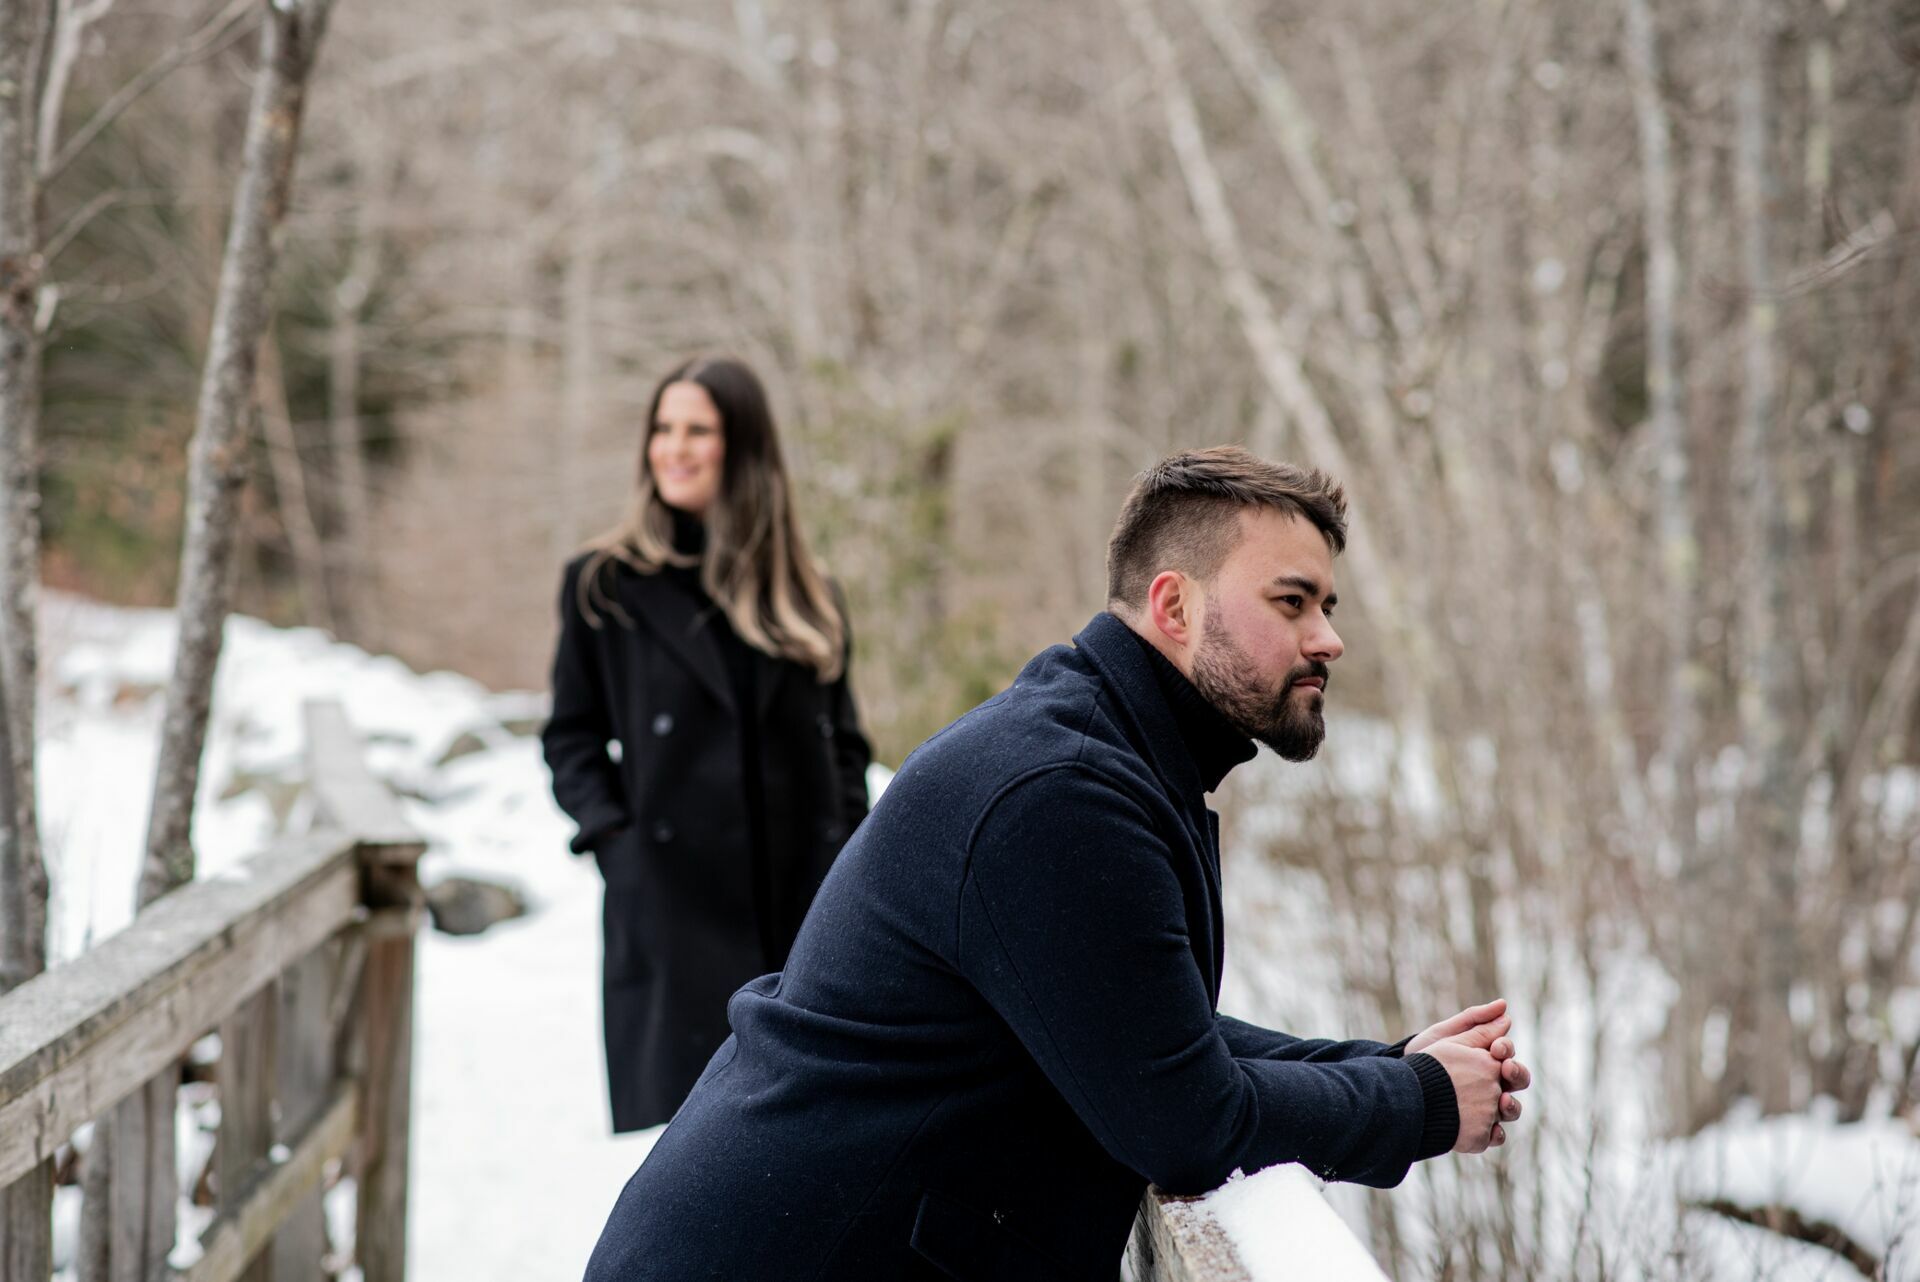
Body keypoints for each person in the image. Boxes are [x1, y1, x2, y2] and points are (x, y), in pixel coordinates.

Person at [585, 447, 1532, 1279]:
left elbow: (1141, 1030)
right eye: (1291, 601)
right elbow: (1181, 1118)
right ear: (1173, 603)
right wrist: (1416, 1104)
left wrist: (1387, 1063)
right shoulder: (1063, 792)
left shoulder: (1099, 753)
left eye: (1326, 604)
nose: (1327, 637)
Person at [541, 355, 872, 1133]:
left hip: (802, 922)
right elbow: (571, 738)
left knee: (803, 1151)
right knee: (694, 1162)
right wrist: (620, 847)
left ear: (744, 448)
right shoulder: (604, 585)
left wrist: (850, 872)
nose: (673, 448)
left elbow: (847, 752)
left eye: (698, 430)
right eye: (662, 428)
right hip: (671, 909)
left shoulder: (809, 594)